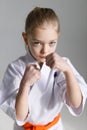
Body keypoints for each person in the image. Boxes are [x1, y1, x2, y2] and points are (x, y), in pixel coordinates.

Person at [0, 7, 87, 130]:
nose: (45, 50)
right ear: (26, 38)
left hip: (54, 127)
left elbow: (76, 103)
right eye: (37, 43)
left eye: (52, 43)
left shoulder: (63, 65)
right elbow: (20, 116)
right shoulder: (16, 68)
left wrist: (68, 71)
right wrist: (24, 84)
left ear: (58, 38)